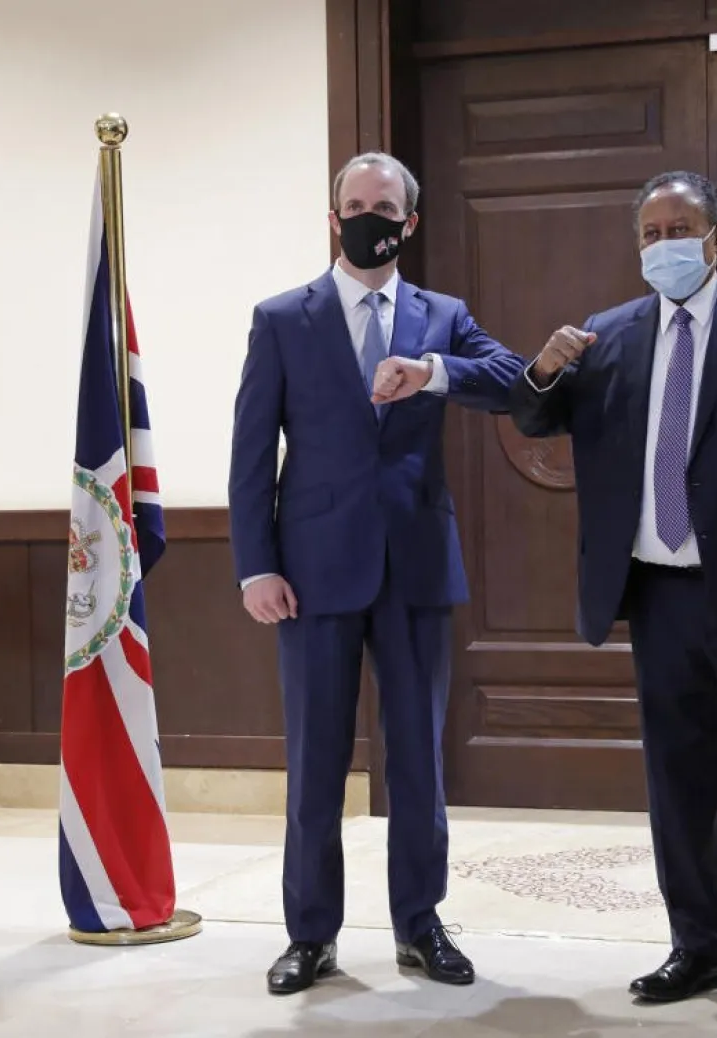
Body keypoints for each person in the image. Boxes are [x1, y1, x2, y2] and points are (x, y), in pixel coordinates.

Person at [507, 171, 717, 1026]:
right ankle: (700, 945)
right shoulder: (611, 334)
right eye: (650, 233)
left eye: (680, 228)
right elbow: (537, 420)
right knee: (678, 785)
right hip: (657, 596)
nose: (664, 245)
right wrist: (543, 371)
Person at [228, 152, 524, 996]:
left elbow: (510, 383)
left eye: (382, 206)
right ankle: (310, 936)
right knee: (315, 761)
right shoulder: (284, 318)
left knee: (420, 763)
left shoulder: (443, 315)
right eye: (353, 205)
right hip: (311, 575)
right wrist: (256, 566)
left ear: (409, 222)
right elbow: (252, 453)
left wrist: (434, 373)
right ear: (334, 219)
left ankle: (419, 926)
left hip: (417, 570)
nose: (367, 217)